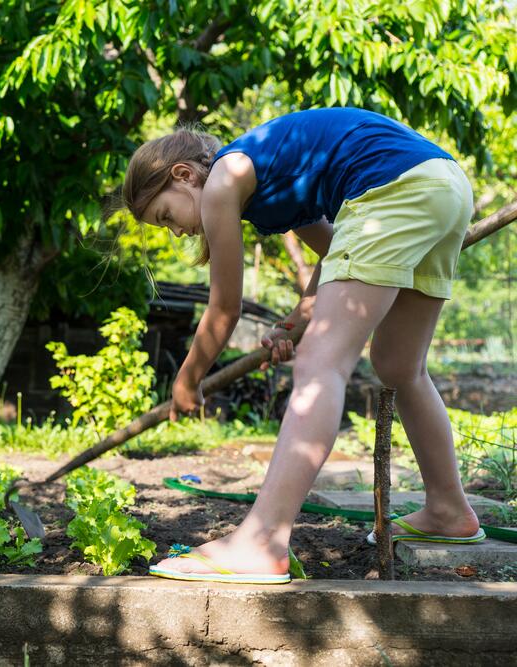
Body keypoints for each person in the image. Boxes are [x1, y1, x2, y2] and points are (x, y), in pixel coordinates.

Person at [122, 107, 484, 584]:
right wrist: (292, 323)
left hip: (393, 190)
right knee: (399, 365)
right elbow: (336, 253)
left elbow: (224, 308)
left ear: (184, 175)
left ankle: (261, 541)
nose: (177, 231)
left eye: (166, 215)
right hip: (443, 185)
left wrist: (187, 381)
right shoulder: (270, 176)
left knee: (319, 364)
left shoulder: (225, 177)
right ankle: (449, 509)